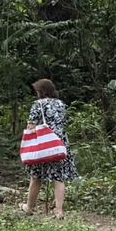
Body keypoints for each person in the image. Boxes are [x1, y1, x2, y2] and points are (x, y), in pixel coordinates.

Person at [22, 78, 77, 219]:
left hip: (43, 143)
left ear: (41, 91)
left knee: (36, 176)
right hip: (59, 143)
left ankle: (29, 207)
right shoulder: (61, 104)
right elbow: (63, 122)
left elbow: (31, 125)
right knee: (59, 177)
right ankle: (59, 210)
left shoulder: (38, 104)